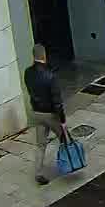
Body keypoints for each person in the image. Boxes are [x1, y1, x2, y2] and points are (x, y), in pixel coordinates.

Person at [24, 44, 66, 185]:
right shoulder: (50, 75)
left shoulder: (27, 73)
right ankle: (67, 163)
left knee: (41, 145)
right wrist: (62, 119)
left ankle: (38, 172)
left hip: (36, 113)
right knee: (64, 138)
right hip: (50, 114)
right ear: (44, 56)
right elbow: (57, 101)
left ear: (33, 56)